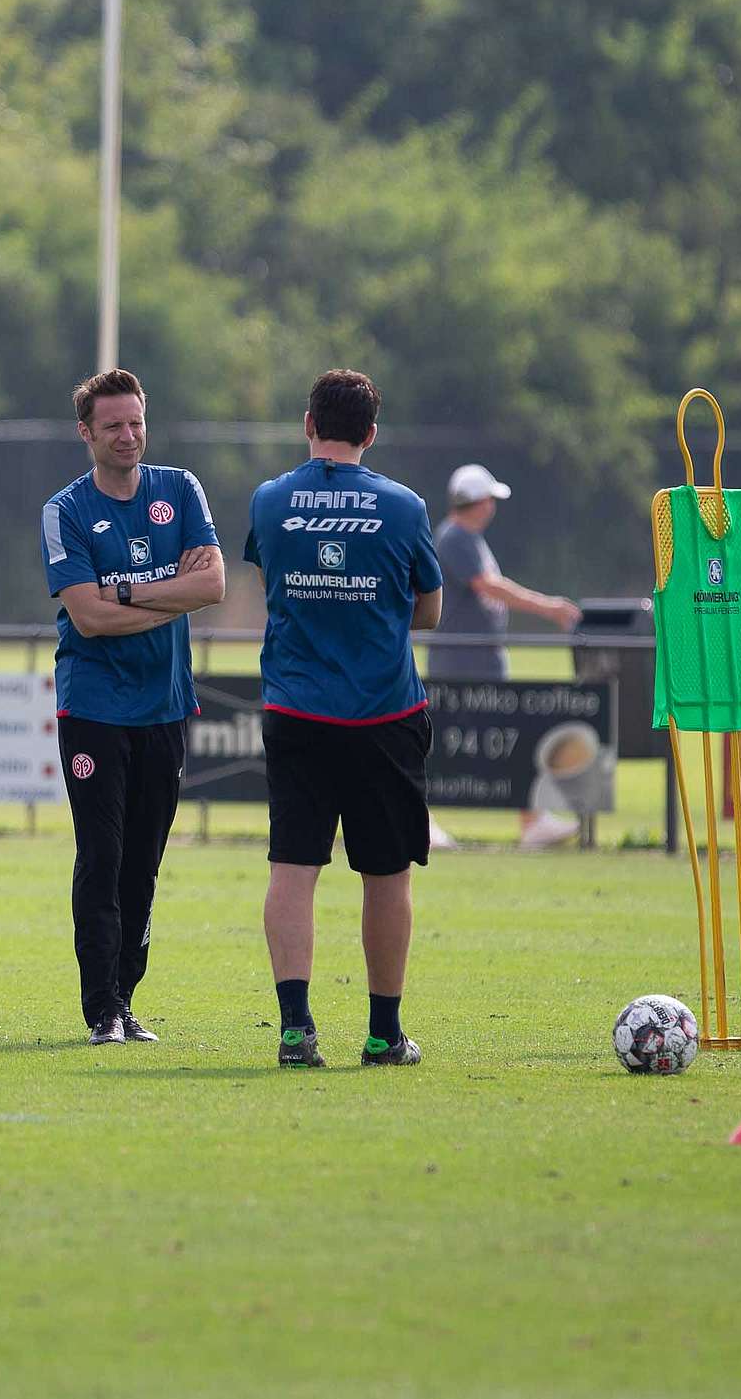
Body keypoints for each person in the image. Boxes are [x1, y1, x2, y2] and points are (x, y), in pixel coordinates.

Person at [245, 369, 442, 1069]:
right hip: (384, 712)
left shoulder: (270, 500)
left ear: (308, 424)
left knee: (293, 867)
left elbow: (274, 586)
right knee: (386, 873)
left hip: (296, 709)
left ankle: (295, 1030)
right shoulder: (406, 507)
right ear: (371, 433)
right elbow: (429, 609)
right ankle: (384, 1035)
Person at [41, 367, 225, 1046]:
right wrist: (166, 591)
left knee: (143, 861)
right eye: (113, 425)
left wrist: (123, 593)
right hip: (93, 706)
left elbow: (213, 585)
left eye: (136, 422)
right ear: (86, 433)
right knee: (102, 854)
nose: (128, 435)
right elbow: (87, 619)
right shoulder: (65, 510)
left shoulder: (180, 489)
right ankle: (101, 1009)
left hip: (165, 704)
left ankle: (126, 997)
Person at [427, 463, 583, 849]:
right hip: (461, 661)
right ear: (479, 502)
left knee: (510, 736)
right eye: (489, 500)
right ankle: (421, 821)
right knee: (443, 741)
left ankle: (532, 820)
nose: (492, 507)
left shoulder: (469, 539)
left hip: (481, 659)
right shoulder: (455, 537)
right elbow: (490, 586)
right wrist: (548, 607)